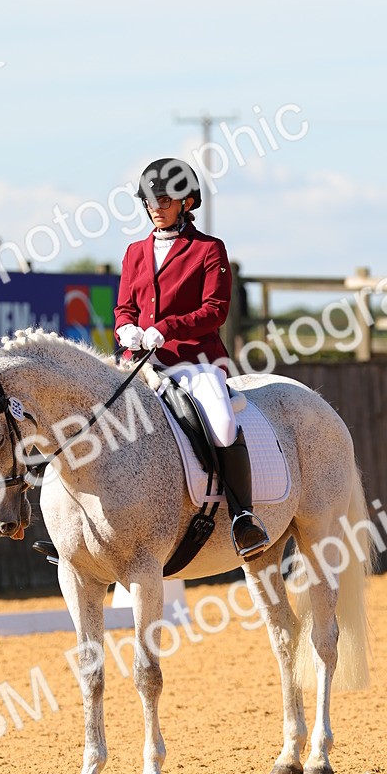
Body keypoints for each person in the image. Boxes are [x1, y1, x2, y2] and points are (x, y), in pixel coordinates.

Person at [114, 157, 269, 559]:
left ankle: (243, 517)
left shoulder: (208, 249)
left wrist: (167, 328)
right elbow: (124, 307)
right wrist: (125, 328)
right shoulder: (134, 252)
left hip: (195, 361)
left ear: (186, 202)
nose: (155, 207)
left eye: (164, 199)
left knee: (220, 424)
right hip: (140, 362)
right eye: (149, 200)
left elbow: (215, 309)